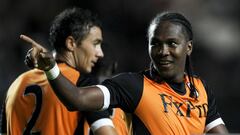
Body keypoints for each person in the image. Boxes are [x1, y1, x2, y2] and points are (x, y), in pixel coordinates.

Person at [21, 11, 229, 134]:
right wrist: (51, 68)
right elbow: (77, 99)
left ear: (189, 47)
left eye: (172, 43)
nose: (163, 51)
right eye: (155, 43)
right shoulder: (133, 85)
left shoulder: (200, 90)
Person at [0, 7, 123, 135]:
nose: (100, 53)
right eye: (95, 43)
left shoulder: (16, 84)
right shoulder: (82, 84)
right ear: (71, 43)